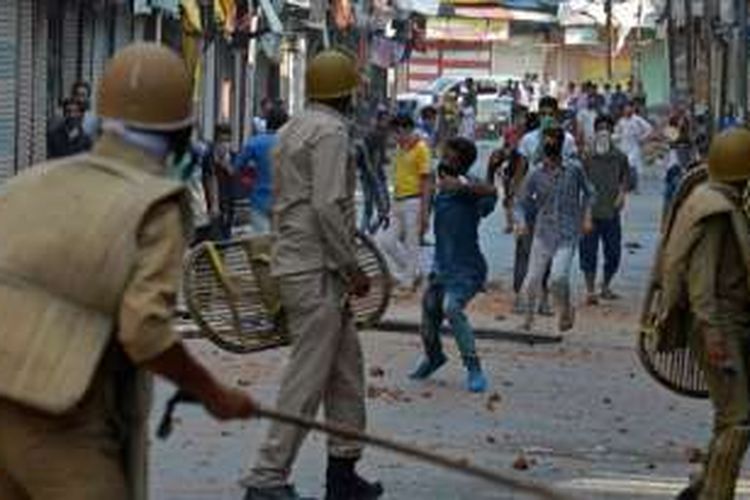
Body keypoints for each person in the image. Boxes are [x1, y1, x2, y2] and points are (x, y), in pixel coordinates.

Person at [0, 43, 254, 500]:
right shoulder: (155, 206)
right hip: (55, 411)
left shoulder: (28, 183)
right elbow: (146, 332)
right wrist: (212, 392)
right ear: (180, 137)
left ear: (98, 122)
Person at [241, 50, 382, 500]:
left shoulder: (292, 128)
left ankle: (343, 472)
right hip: (317, 270)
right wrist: (351, 266)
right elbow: (326, 205)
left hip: (299, 264)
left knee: (346, 374)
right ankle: (266, 478)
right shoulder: (332, 132)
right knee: (307, 379)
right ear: (346, 93)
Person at [658, 129, 750, 500]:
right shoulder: (715, 210)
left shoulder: (710, 198)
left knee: (730, 414)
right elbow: (701, 283)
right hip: (718, 324)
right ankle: (715, 494)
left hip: (725, 323)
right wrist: (713, 335)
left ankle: (701, 488)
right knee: (738, 421)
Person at [410, 137, 497, 393]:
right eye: (444, 156)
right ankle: (434, 357)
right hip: (442, 267)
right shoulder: (442, 187)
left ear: (461, 163)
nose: (444, 162)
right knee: (428, 316)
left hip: (467, 269)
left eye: (450, 158)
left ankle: (474, 368)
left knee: (451, 307)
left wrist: (460, 186)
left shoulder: (468, 189)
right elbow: (427, 188)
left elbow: (491, 194)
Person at [514, 125, 594, 332]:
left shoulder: (574, 169)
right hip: (543, 232)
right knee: (532, 280)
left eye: (553, 143)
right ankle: (528, 319)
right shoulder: (535, 174)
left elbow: (590, 192)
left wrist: (586, 216)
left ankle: (566, 310)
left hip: (567, 232)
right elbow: (520, 202)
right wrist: (521, 223)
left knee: (558, 278)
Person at [513, 98, 578, 314]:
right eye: (542, 113)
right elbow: (521, 169)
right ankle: (521, 297)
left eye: (550, 113)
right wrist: (515, 199)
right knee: (524, 248)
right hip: (531, 199)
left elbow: (573, 169)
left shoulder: (567, 140)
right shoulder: (528, 140)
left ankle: (544, 299)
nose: (546, 117)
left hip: (554, 202)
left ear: (557, 115)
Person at [376, 114, 432, 291]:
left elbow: (426, 182)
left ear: (408, 129)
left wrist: (425, 212)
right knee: (386, 241)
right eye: (394, 133)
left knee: (411, 242)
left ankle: (408, 282)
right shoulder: (400, 149)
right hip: (398, 200)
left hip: (413, 201)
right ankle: (412, 272)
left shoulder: (421, 148)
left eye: (398, 132)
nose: (396, 137)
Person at [579, 116, 629, 304]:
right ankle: (590, 290)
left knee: (613, 252)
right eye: (600, 128)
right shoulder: (587, 157)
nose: (603, 132)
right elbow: (578, 182)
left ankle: (606, 285)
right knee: (588, 252)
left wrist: (622, 193)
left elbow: (625, 178)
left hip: (611, 212)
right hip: (589, 213)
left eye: (607, 128)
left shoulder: (620, 157)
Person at [235, 106, 289, 234]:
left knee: (261, 245)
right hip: (284, 201)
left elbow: (237, 167)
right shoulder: (290, 143)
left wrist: (247, 182)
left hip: (259, 199)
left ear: (267, 123)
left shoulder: (254, 143)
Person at [614, 100, 655, 193]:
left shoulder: (638, 120)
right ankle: (626, 186)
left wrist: (642, 138)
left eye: (629, 107)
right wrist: (615, 137)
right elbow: (617, 133)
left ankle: (636, 186)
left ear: (633, 109)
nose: (627, 109)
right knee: (624, 166)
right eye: (626, 108)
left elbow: (649, 129)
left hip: (634, 146)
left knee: (633, 165)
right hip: (623, 146)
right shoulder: (621, 121)